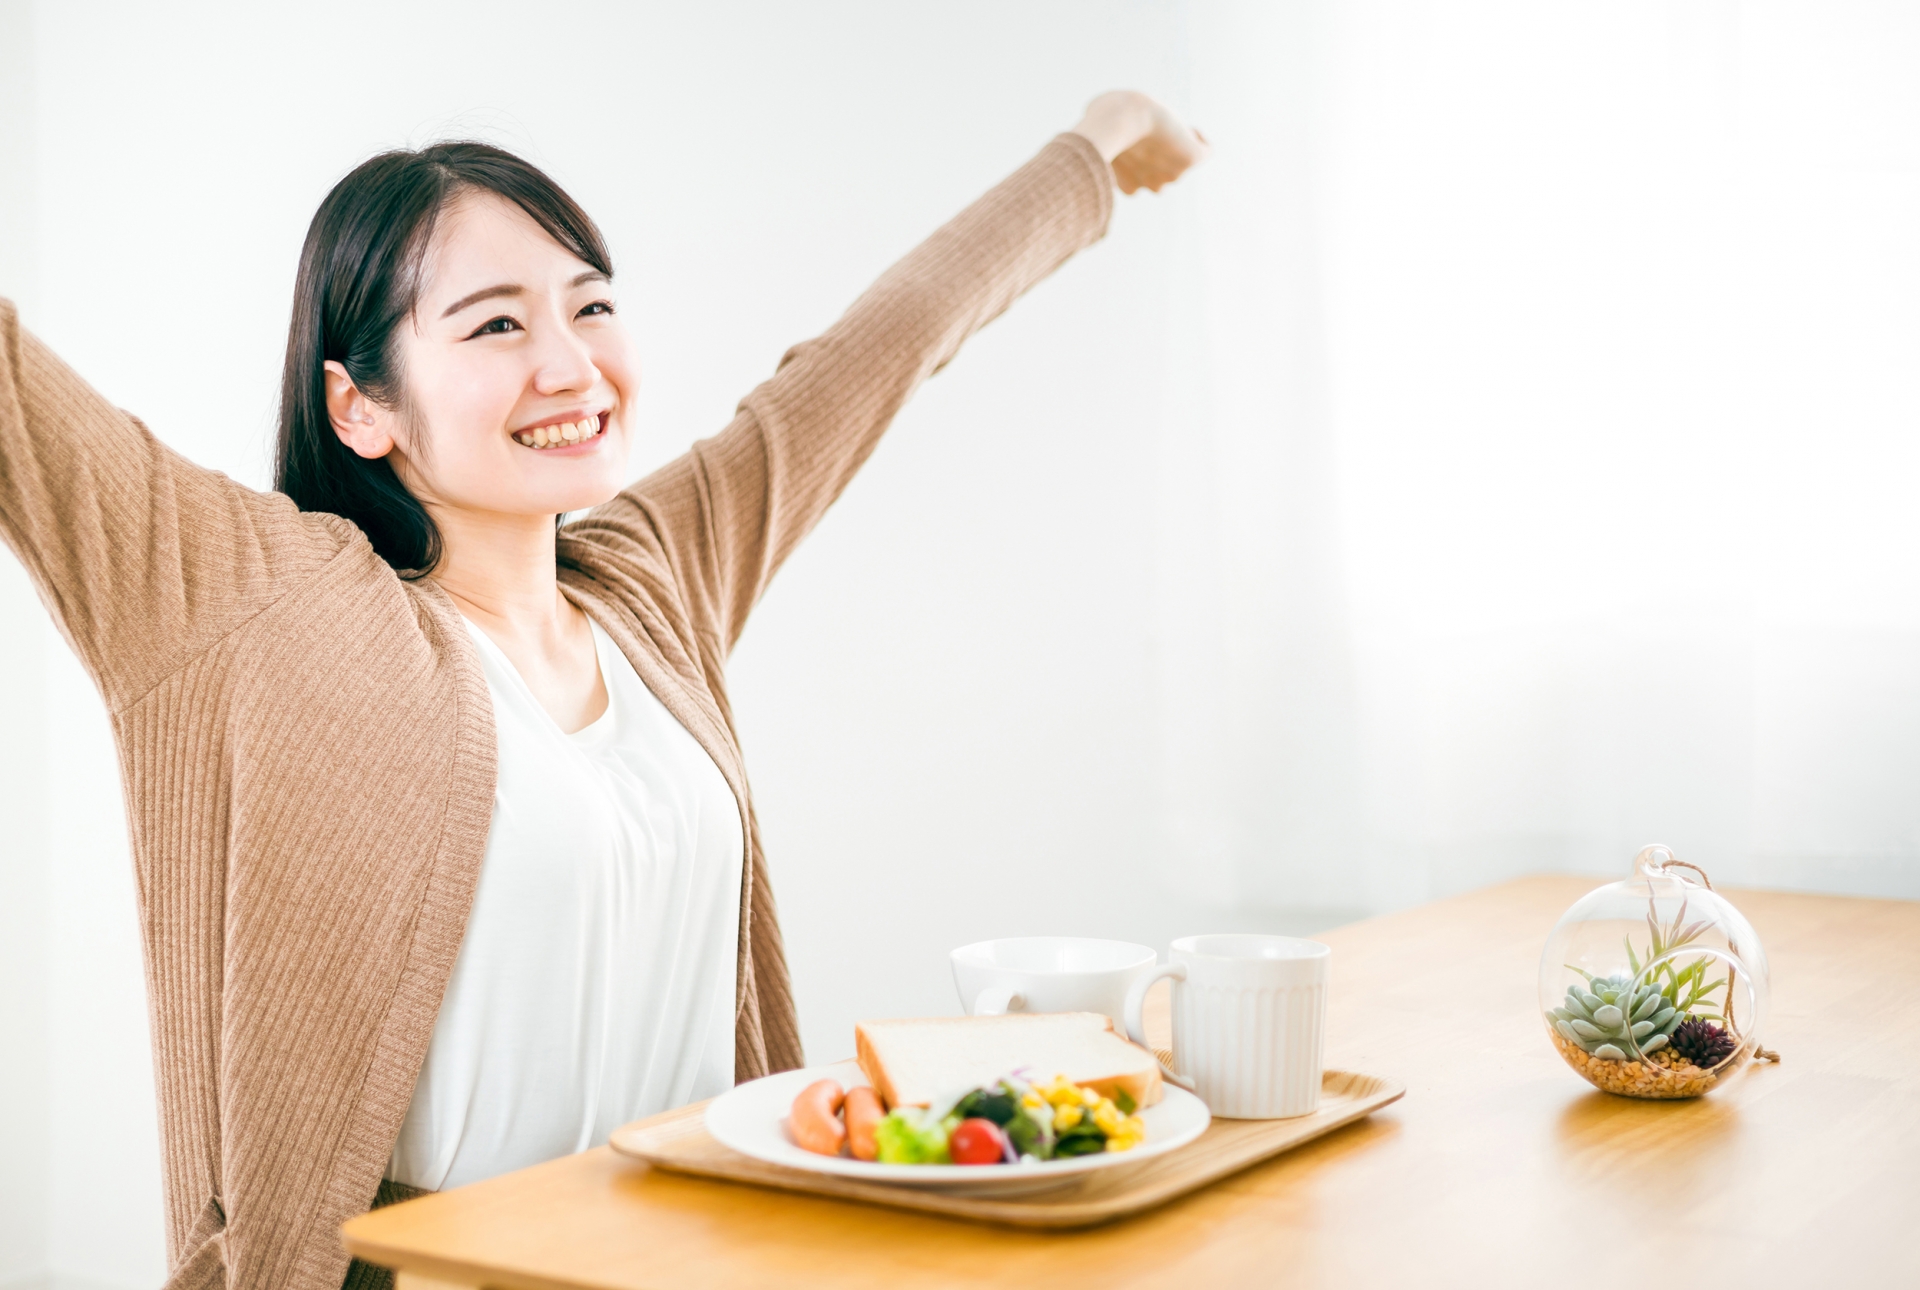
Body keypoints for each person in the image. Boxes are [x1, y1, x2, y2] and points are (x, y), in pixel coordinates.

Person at [0, 90, 1206, 1289]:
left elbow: (877, 354)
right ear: (357, 404)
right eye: (494, 329)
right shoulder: (260, 605)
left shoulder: (651, 580)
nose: (571, 365)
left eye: (590, 306)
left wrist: (1090, 152)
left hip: (709, 1254)